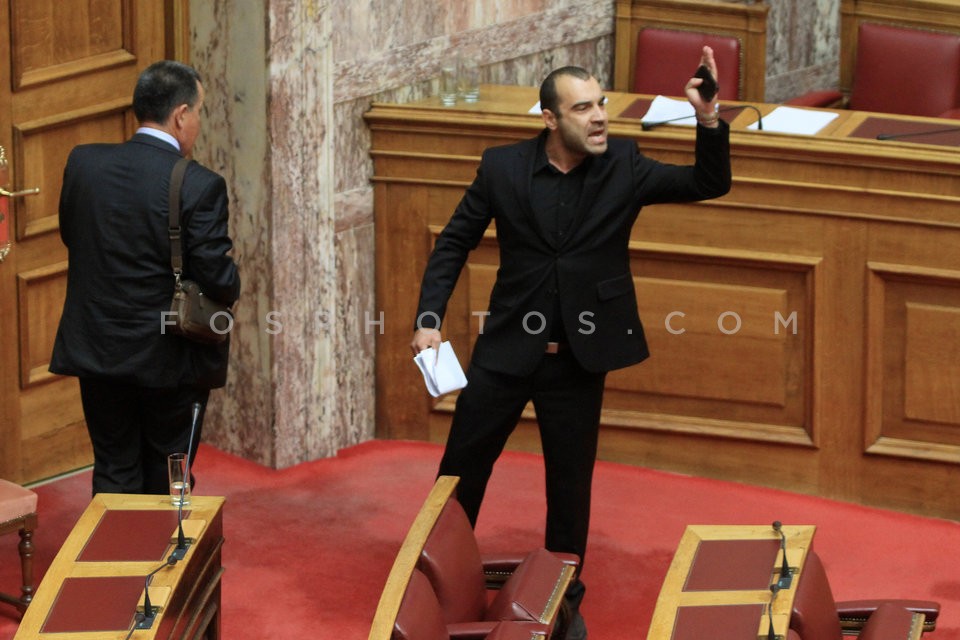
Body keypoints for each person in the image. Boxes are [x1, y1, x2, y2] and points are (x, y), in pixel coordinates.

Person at [409, 47, 731, 638]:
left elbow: (708, 183)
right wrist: (429, 317)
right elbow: (454, 241)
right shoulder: (502, 168)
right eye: (583, 108)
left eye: (602, 103)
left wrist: (707, 118)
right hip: (506, 353)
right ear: (550, 118)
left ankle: (563, 604)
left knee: (569, 488)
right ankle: (430, 584)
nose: (600, 116)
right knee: (460, 474)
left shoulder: (625, 166)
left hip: (579, 360)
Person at [50, 60, 241, 496]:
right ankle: (164, 561)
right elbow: (218, 277)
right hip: (168, 357)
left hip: (97, 348)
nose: (197, 122)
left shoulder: (83, 163)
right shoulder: (199, 184)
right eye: (199, 112)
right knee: (167, 469)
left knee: (114, 465)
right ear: (181, 115)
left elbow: (72, 236)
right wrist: (233, 283)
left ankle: (114, 561)